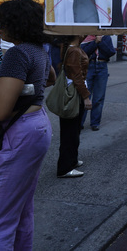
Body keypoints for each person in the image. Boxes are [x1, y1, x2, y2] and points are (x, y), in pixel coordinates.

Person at [0, 0, 52, 249]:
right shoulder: (38, 50)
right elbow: (50, 78)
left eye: (2, 21)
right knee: (21, 209)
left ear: (15, 24)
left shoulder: (17, 53)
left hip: (18, 132)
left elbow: (1, 112)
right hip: (37, 126)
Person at [56, 35, 92, 178]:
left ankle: (72, 161)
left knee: (73, 131)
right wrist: (86, 97)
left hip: (74, 93)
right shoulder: (74, 51)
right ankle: (65, 168)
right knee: (70, 132)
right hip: (75, 95)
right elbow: (77, 77)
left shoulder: (72, 49)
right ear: (77, 35)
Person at [80, 35, 116, 131]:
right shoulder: (86, 37)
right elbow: (83, 52)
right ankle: (80, 122)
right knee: (85, 95)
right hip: (89, 65)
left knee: (99, 97)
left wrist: (100, 42)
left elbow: (110, 52)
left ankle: (95, 123)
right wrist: (94, 42)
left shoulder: (106, 37)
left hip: (102, 66)